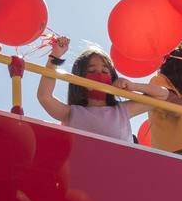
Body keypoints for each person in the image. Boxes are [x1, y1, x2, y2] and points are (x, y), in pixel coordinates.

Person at [35, 36, 165, 142]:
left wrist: (133, 86)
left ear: (112, 78)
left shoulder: (122, 110)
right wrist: (55, 57)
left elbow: (162, 95)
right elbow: (44, 96)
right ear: (79, 79)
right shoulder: (71, 113)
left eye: (105, 71)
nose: (99, 75)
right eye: (91, 71)